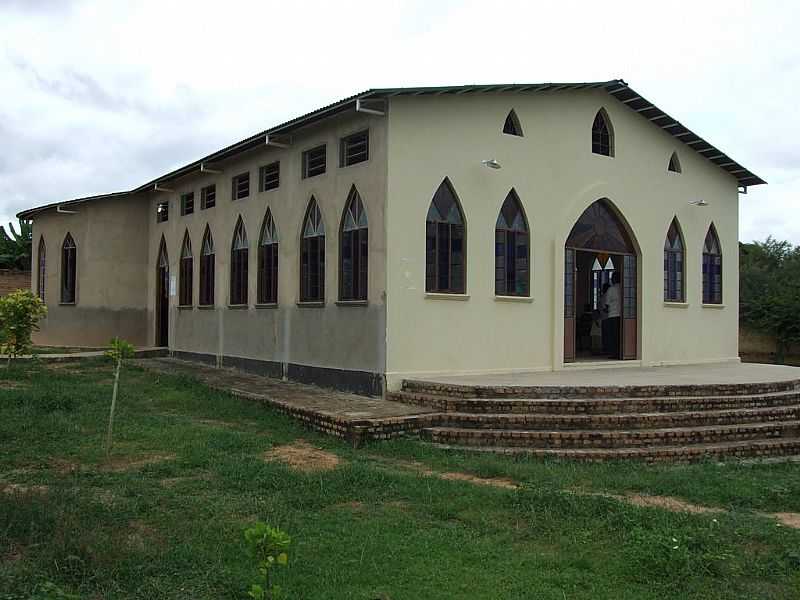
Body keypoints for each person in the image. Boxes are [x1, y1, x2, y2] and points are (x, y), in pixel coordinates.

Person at [601, 272, 621, 358]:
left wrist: (604, 310)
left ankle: (614, 354)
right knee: (619, 336)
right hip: (621, 316)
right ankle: (621, 352)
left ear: (613, 279)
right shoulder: (624, 288)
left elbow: (607, 305)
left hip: (612, 315)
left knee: (612, 336)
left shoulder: (611, 289)